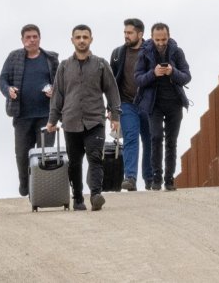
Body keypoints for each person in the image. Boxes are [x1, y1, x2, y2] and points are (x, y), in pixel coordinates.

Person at [47, 25, 120, 211]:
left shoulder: (101, 64)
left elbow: (112, 91)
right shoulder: (64, 66)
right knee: (75, 162)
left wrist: (115, 115)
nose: (81, 40)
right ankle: (78, 198)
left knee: (95, 158)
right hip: (70, 121)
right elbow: (58, 96)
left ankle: (96, 195)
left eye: (85, 37)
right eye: (78, 37)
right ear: (72, 40)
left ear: (91, 40)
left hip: (95, 120)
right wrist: (52, 120)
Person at [0, 24, 60, 197]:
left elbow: (61, 82)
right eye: (28, 37)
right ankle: (25, 185)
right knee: (22, 155)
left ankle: (41, 189)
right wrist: (8, 90)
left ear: (40, 38)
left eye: (35, 37)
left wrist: (54, 90)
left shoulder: (51, 58)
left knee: (44, 154)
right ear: (22, 40)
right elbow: (2, 80)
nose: (32, 40)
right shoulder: (14, 58)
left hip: (46, 116)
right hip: (22, 115)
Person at [135, 23, 191, 191]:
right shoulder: (144, 53)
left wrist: (172, 71)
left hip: (174, 103)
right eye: (157, 39)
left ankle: (169, 180)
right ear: (151, 37)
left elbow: (187, 77)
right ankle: (156, 179)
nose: (160, 43)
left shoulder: (177, 52)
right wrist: (154, 73)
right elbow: (137, 79)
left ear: (168, 36)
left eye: (164, 39)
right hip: (154, 104)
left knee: (171, 142)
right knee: (156, 137)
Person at [110, 18, 152, 191]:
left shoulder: (151, 51)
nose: (126, 36)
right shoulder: (118, 54)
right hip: (127, 104)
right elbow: (110, 84)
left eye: (130, 33)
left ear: (140, 34)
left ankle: (150, 179)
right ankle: (130, 178)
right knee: (130, 138)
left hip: (149, 103)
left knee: (150, 140)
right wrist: (111, 110)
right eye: (125, 33)